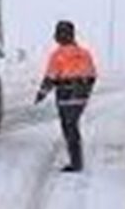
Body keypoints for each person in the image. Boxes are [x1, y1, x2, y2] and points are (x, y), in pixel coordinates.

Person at [35, 20, 97, 172]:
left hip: (65, 96)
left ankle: (76, 163)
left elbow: (50, 77)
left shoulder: (57, 55)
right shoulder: (84, 53)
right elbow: (92, 76)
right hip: (80, 96)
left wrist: (41, 94)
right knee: (73, 126)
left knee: (69, 128)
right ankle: (77, 161)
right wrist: (84, 90)